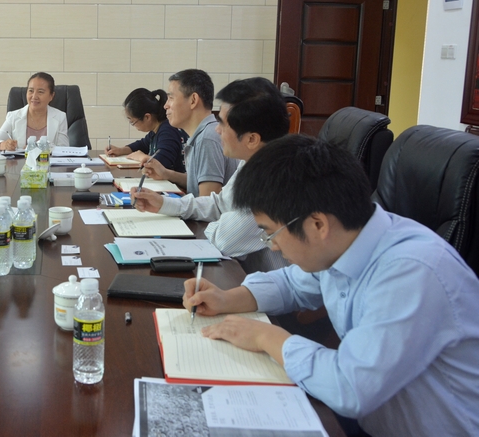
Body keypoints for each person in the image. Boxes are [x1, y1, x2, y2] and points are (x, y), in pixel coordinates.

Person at [184, 135, 479, 437]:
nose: (272, 246)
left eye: (271, 233)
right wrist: (227, 298)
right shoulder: (347, 239)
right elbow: (292, 285)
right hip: (367, 418)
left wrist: (266, 336)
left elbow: (351, 387)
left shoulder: (412, 272)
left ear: (317, 225)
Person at [132, 77, 289, 272]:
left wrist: (223, 220)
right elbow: (219, 204)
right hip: (245, 275)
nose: (217, 129)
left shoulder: (273, 179)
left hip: (268, 286)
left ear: (252, 139)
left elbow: (224, 240)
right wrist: (164, 204)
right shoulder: (251, 162)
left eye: (223, 124)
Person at [141, 69, 237, 197]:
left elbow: (207, 202)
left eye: (171, 98)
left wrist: (165, 204)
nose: (165, 106)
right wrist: (166, 173)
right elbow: (199, 183)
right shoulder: (203, 133)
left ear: (193, 100)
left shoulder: (207, 139)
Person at [104, 88, 188, 172]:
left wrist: (142, 157)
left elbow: (162, 164)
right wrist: (121, 150)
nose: (133, 126)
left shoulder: (168, 131)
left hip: (175, 180)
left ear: (147, 117)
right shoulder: (156, 131)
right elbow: (143, 144)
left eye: (133, 122)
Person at [0, 72, 69, 151]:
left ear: (51, 96)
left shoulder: (60, 117)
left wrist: (36, 148)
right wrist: (4, 145)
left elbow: (64, 149)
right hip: (21, 161)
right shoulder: (13, 116)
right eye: (31, 91)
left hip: (47, 160)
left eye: (40, 92)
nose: (34, 96)